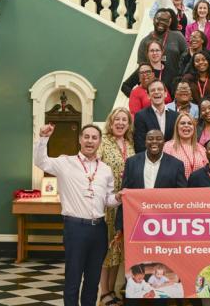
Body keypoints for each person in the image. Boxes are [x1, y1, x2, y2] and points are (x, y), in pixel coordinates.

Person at [34, 123, 123, 306]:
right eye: (87, 137)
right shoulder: (65, 163)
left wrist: (119, 197)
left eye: (94, 137)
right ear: (80, 140)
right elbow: (40, 161)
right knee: (73, 279)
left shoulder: (105, 169)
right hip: (75, 228)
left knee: (92, 280)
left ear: (99, 142)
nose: (90, 141)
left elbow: (107, 200)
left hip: (99, 229)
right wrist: (43, 138)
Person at [113, 129, 188, 248]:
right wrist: (119, 226)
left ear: (164, 142)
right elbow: (125, 194)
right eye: (150, 139)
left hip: (166, 225)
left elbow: (182, 196)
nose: (154, 142)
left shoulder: (176, 164)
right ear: (145, 142)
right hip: (137, 222)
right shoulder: (132, 162)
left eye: (159, 139)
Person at [95, 108, 134, 306]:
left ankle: (112, 290)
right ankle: (104, 292)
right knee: (107, 249)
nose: (120, 123)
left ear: (129, 124)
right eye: (116, 119)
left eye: (124, 120)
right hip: (108, 202)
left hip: (127, 203)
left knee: (118, 250)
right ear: (111, 123)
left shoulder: (130, 143)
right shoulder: (103, 142)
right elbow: (96, 167)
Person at [137, 8, 188, 81]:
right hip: (153, 86)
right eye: (159, 19)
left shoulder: (178, 37)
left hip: (174, 83)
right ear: (154, 19)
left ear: (169, 22)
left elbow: (187, 58)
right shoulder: (145, 41)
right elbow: (141, 67)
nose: (161, 22)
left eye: (165, 20)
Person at [133, 80, 179, 151]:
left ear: (165, 93)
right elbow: (140, 145)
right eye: (153, 90)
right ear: (148, 96)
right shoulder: (140, 116)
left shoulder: (175, 116)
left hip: (171, 159)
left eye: (160, 89)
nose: (156, 92)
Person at [163, 112, 207, 178]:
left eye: (190, 123)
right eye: (182, 123)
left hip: (198, 187)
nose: (186, 125)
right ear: (177, 127)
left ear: (194, 128)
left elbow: (207, 173)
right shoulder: (167, 147)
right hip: (176, 187)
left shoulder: (202, 149)